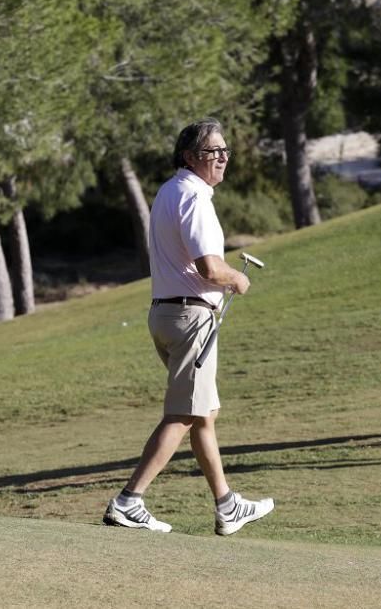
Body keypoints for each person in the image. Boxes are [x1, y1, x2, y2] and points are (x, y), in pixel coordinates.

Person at [103, 117, 275, 535]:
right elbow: (210, 267)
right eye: (212, 151)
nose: (222, 158)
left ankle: (226, 504)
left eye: (224, 150)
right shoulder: (195, 196)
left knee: (204, 414)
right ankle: (129, 500)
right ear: (189, 157)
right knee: (183, 414)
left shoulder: (168, 191)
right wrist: (238, 278)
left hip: (165, 313)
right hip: (190, 317)